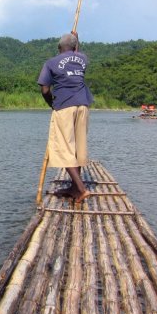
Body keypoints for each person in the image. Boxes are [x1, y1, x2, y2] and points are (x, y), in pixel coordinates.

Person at [38, 32, 94, 203]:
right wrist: (77, 39)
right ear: (76, 47)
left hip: (64, 106)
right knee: (77, 148)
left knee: (64, 148)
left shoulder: (51, 63)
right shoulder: (82, 58)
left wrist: (51, 104)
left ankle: (82, 189)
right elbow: (77, 53)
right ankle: (74, 188)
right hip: (82, 106)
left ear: (58, 48)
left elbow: (45, 90)